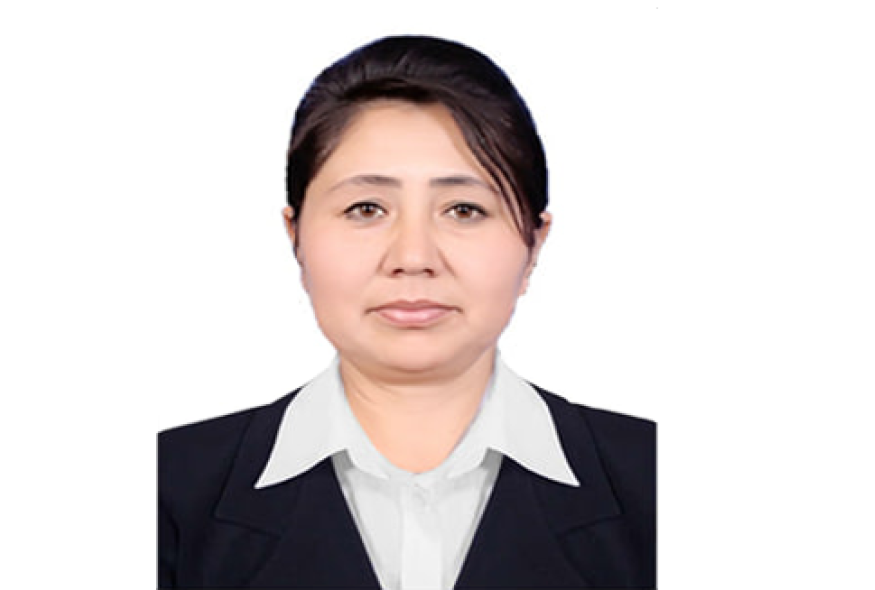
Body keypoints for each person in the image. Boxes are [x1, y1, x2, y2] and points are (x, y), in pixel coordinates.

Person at [158, 35, 655, 589]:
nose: (413, 258)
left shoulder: (660, 483)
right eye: (366, 208)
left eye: (463, 209)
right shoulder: (165, 490)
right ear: (295, 236)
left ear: (534, 243)